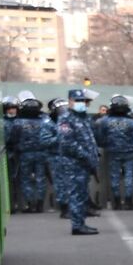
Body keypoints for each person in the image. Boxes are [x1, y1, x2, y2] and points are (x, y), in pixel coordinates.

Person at [52, 88, 101, 235]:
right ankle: (77, 225)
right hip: (74, 163)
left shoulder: (83, 118)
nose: (80, 103)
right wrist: (85, 155)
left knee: (81, 194)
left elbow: (89, 140)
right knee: (76, 194)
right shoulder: (66, 119)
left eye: (82, 101)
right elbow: (67, 143)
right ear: (70, 102)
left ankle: (81, 223)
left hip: (84, 164)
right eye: (77, 101)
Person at [98, 95, 133, 210]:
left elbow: (100, 137)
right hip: (129, 153)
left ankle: (116, 202)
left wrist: (105, 145)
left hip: (112, 152)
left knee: (114, 177)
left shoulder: (105, 121)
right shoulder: (132, 123)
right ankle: (128, 201)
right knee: (129, 177)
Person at [14, 93, 52, 213]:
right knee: (41, 178)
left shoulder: (18, 122)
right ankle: (40, 204)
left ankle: (30, 204)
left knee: (25, 179)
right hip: (41, 153)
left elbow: (13, 137)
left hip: (25, 154)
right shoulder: (45, 121)